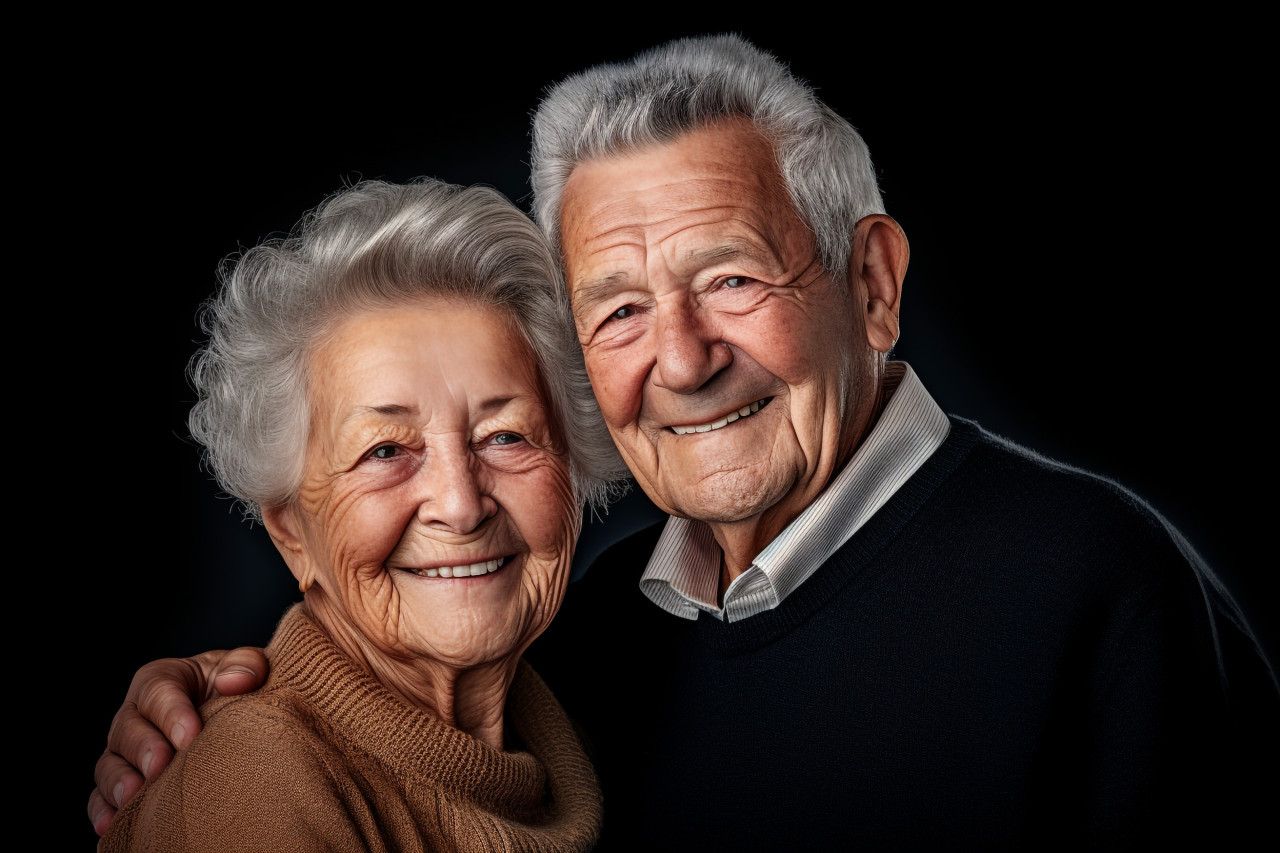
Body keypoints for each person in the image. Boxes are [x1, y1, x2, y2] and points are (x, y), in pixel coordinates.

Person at [91, 34, 1278, 850]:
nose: (682, 357)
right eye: (617, 308)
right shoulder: (599, 638)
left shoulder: (1097, 588)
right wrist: (212, 730)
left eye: (728, 277)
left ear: (871, 283)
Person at [97, 176, 628, 851]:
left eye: (506, 436)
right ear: (291, 528)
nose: (461, 505)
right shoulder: (260, 778)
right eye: (384, 450)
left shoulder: (593, 709)